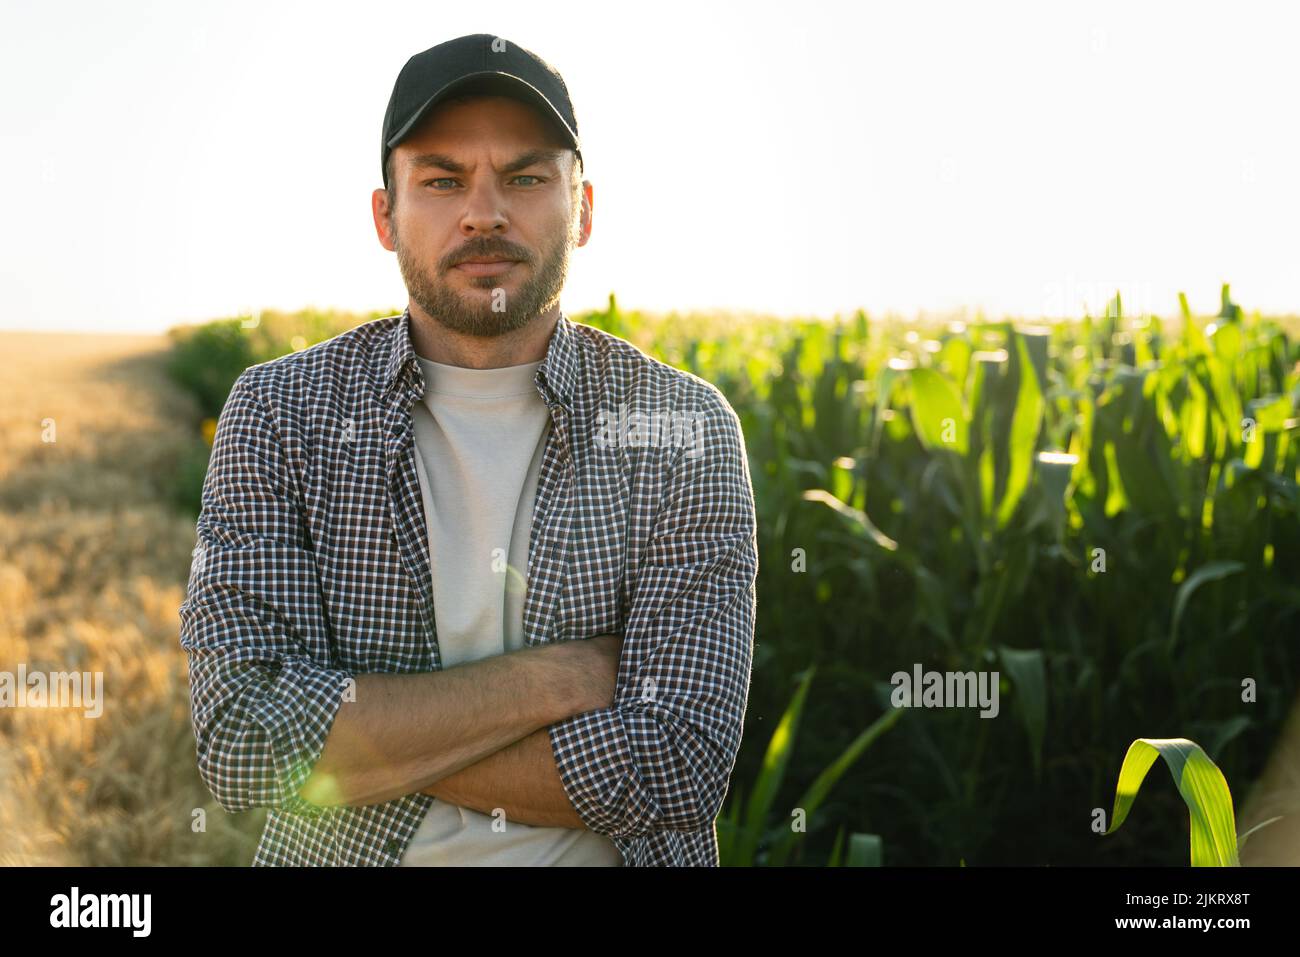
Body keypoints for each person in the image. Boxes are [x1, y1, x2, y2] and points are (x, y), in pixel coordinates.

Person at [179, 33, 758, 866]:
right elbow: (243, 738)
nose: (483, 211)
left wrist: (366, 740)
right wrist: (549, 682)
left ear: (583, 208)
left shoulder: (680, 428)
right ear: (386, 215)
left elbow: (677, 766)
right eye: (443, 179)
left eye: (524, 177)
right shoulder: (282, 414)